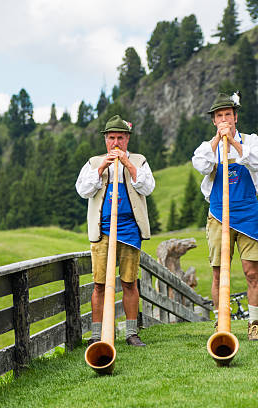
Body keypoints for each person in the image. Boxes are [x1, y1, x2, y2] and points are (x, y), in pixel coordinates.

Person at [192, 92, 258, 341]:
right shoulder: (208, 147)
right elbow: (201, 165)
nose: (224, 119)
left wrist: (233, 143)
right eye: (219, 116)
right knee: (218, 272)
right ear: (214, 120)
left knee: (251, 272)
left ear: (235, 117)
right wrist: (217, 140)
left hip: (247, 213)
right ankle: (221, 322)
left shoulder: (251, 141)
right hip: (218, 214)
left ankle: (255, 324)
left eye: (228, 115)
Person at [76, 115, 155, 347]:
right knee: (100, 284)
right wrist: (103, 167)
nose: (116, 143)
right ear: (105, 140)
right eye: (111, 138)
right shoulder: (93, 162)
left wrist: (128, 165)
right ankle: (96, 335)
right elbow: (83, 190)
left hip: (130, 230)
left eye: (120, 137)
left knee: (129, 282)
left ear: (127, 139)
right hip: (103, 232)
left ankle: (131, 332)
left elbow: (148, 187)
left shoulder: (139, 161)